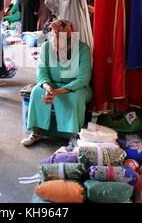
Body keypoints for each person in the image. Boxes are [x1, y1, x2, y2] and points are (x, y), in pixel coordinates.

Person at [21, 19, 92, 147]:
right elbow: (42, 74)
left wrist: (57, 92)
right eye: (56, 45)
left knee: (75, 98)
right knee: (37, 92)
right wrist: (48, 88)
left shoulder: (83, 49)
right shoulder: (46, 47)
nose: (58, 50)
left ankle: (73, 135)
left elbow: (83, 79)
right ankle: (37, 132)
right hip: (52, 85)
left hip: (77, 87)